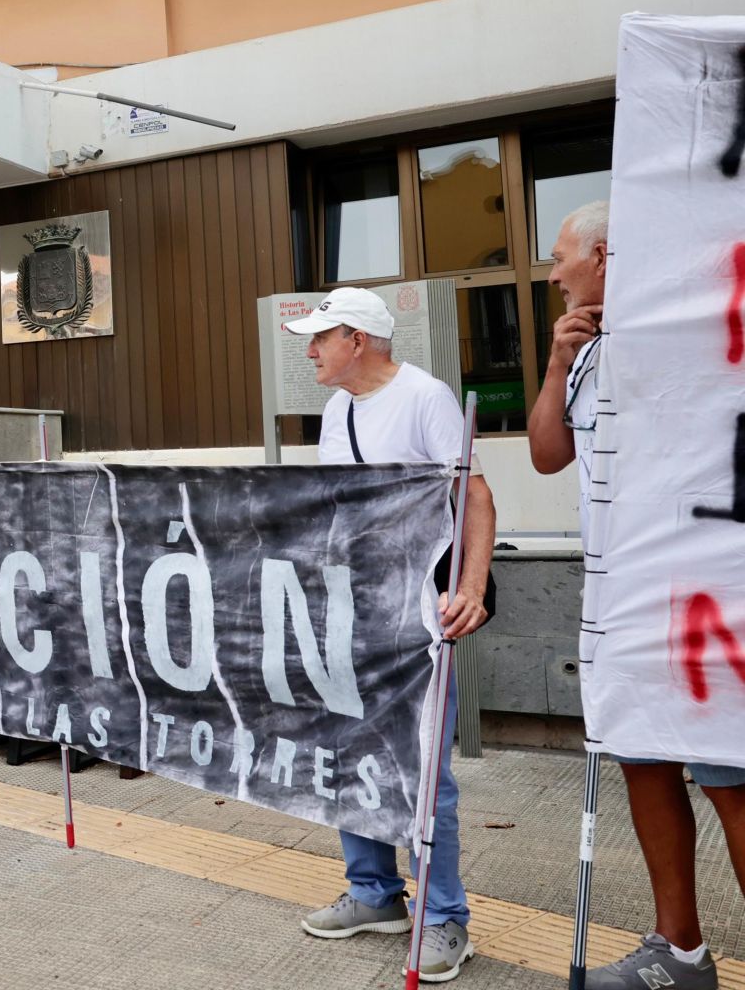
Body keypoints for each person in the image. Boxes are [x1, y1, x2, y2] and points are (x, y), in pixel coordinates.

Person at [526, 201, 741, 990]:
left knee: (728, 776)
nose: (553, 273)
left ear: (605, 255)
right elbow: (547, 455)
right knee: (644, 760)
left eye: (561, 257)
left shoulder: (688, 331)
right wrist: (557, 365)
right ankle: (679, 950)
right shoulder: (584, 348)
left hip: (702, 592)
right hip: (620, 597)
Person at [282, 287, 496, 983]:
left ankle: (444, 917)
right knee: (350, 753)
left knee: (422, 767)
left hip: (417, 615)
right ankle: (375, 893)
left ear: (358, 340)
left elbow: (474, 495)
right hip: (355, 610)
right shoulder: (337, 410)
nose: (311, 352)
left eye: (321, 338)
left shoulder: (425, 398)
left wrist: (471, 587)